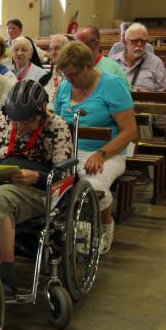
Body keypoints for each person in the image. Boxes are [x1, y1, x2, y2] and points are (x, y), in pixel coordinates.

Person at [0, 80, 72, 293]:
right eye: (17, 121)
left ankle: (7, 275)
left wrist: (37, 176)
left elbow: (63, 175)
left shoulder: (58, 126)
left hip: (36, 189)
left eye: (27, 122)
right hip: (0, 178)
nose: (21, 126)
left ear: (41, 112)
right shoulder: (5, 119)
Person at [52, 42, 136, 254]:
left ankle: (106, 222)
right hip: (69, 149)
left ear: (88, 67)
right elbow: (57, 123)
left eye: (73, 75)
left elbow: (129, 131)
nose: (69, 80)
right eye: (65, 75)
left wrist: (101, 154)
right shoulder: (64, 87)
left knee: (94, 186)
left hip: (106, 151)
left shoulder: (112, 85)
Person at [109, 23, 166, 91]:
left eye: (143, 41)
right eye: (134, 41)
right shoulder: (113, 61)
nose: (139, 44)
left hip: (146, 101)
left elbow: (163, 93)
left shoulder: (156, 63)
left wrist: (151, 95)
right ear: (125, 42)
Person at [43, 34, 69, 108]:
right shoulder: (54, 72)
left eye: (57, 48)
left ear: (67, 50)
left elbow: (72, 110)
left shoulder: (72, 75)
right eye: (51, 49)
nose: (53, 52)